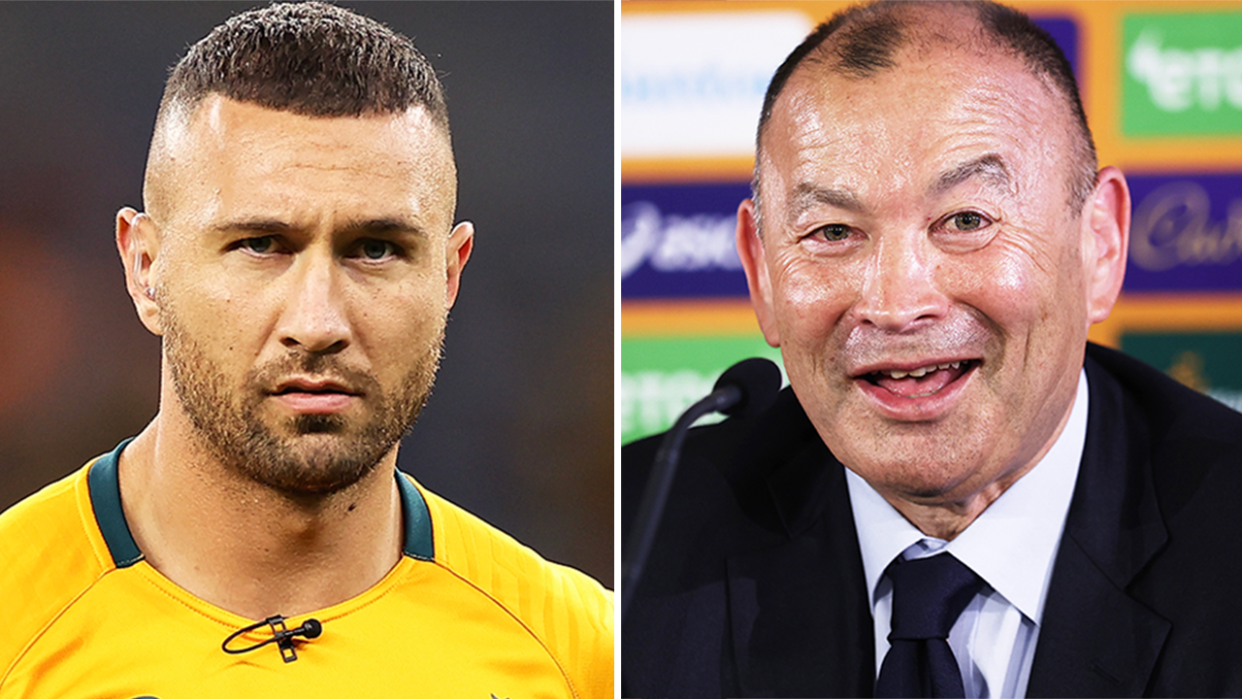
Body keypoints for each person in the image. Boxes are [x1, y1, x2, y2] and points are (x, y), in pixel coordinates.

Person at [621, 1, 1242, 697]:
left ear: (1099, 244)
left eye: (966, 220)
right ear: (761, 272)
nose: (895, 303)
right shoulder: (636, 542)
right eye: (831, 232)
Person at [0, 4, 613, 697]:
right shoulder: (13, 622)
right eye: (260, 245)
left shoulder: (583, 654)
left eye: (376, 249)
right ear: (145, 267)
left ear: (449, 274)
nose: (318, 321)